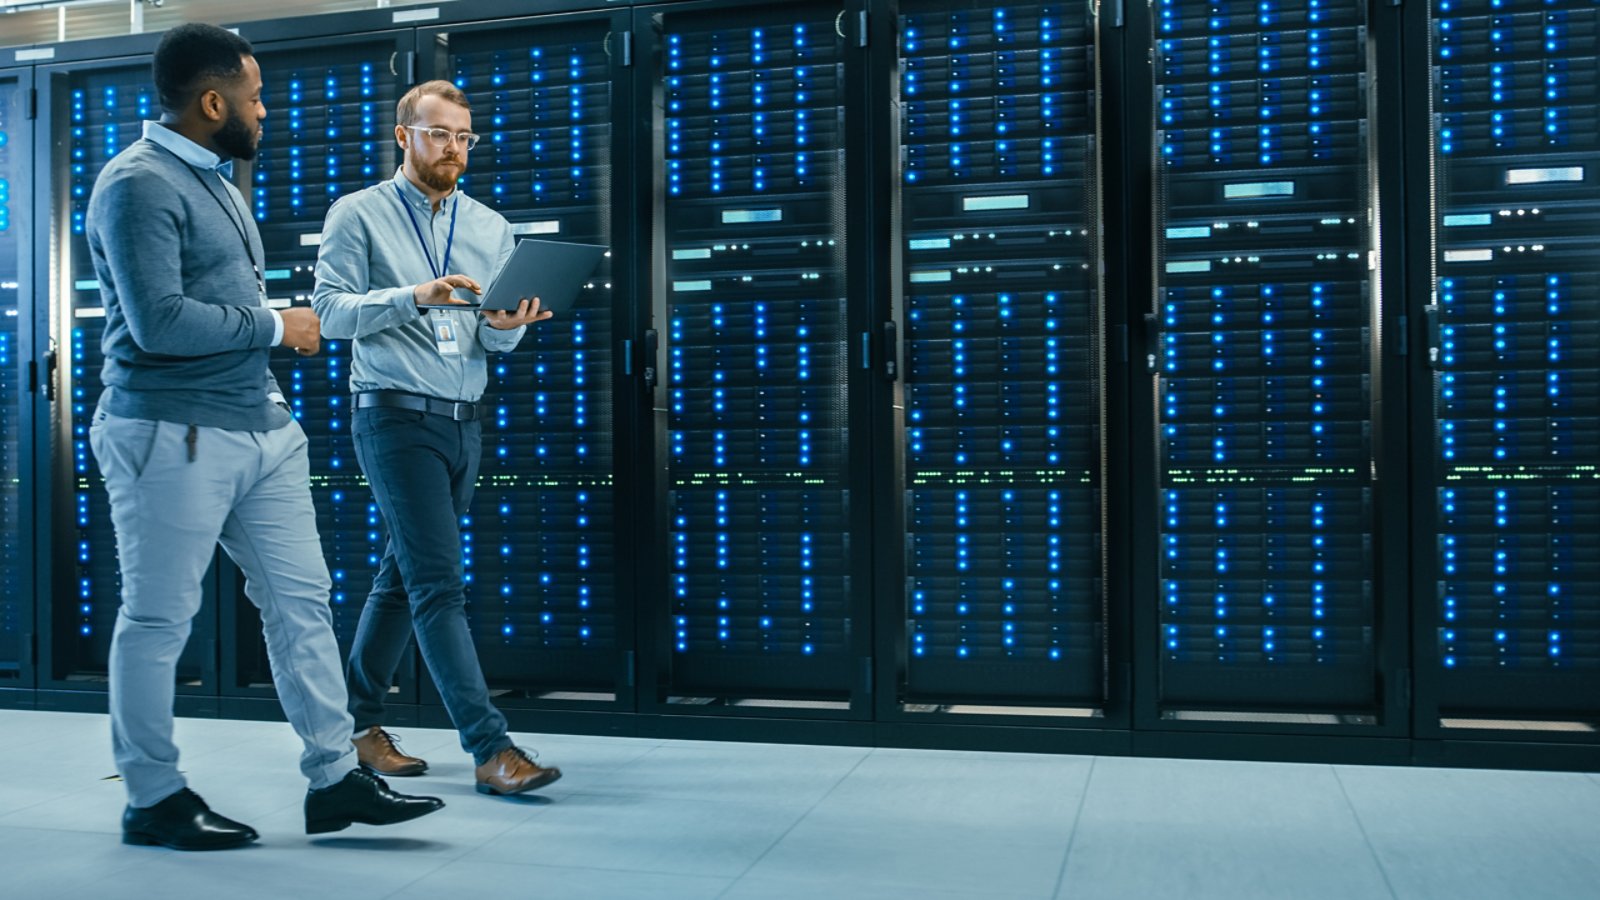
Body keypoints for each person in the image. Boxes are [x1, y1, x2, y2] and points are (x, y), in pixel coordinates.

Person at [85, 23, 444, 850]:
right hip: (169, 432)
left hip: (259, 429)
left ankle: (334, 779)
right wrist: (279, 327)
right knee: (157, 619)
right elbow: (159, 323)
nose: (265, 110)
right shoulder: (136, 184)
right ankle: (152, 797)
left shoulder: (217, 179)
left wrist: (275, 381)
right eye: (252, 96)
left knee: (301, 604)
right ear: (213, 103)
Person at [313, 80, 561, 796]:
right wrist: (412, 296)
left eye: (463, 137)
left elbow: (487, 335)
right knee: (437, 585)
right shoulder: (356, 214)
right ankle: (491, 749)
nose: (453, 148)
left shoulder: (489, 225)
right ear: (404, 136)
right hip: (392, 416)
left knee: (403, 575)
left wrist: (505, 329)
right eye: (438, 134)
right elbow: (329, 314)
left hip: (464, 421)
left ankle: (355, 725)